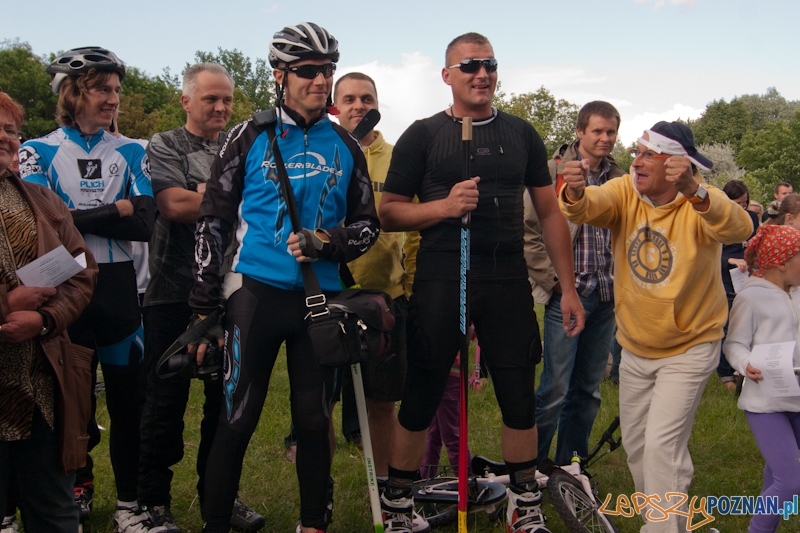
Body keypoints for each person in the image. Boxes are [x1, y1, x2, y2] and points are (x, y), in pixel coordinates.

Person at [378, 32, 584, 533]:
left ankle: (522, 502)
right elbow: (387, 212)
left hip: (506, 275)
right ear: (447, 76)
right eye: (468, 65)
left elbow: (550, 210)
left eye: (489, 64)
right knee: (423, 392)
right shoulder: (423, 135)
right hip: (442, 274)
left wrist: (568, 286)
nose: (481, 73)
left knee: (517, 392)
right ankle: (400, 506)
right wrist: (445, 208)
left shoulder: (521, 134)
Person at [186, 23, 379, 533]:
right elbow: (213, 219)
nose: (321, 81)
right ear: (280, 75)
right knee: (238, 416)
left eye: (327, 71)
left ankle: (314, 522)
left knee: (314, 420)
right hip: (257, 295)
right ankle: (214, 523)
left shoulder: (344, 144)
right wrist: (205, 307)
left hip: (322, 301)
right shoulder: (248, 133)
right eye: (309, 71)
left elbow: (368, 226)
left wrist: (328, 243)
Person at [559, 120, 754, 532]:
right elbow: (585, 206)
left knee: (662, 449)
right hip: (635, 344)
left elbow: (740, 227)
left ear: (675, 165)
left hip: (690, 344)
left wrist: (695, 191)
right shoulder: (626, 190)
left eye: (649, 153)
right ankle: (675, 524)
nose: (636, 160)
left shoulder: (700, 202)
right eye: (637, 151)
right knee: (638, 449)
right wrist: (574, 190)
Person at [17, 47, 154, 531]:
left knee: (127, 404)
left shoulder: (133, 150)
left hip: (117, 290)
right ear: (72, 93)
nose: (113, 99)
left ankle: (129, 506)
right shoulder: (37, 149)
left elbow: (146, 221)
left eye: (117, 89)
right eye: (102, 88)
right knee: (70, 405)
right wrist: (115, 209)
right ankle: (77, 488)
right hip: (64, 287)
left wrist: (81, 218)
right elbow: (40, 226)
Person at [138, 63, 262, 532]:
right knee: (163, 403)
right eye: (211, 99)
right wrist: (228, 198)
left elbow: (255, 203)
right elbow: (172, 204)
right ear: (186, 100)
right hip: (172, 293)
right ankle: (152, 504)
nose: (221, 107)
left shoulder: (240, 146)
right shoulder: (165, 143)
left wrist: (208, 194)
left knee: (224, 405)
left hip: (231, 290)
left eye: (227, 99)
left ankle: (219, 497)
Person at [0, 91, 98, 533]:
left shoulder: (44, 201)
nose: (5, 137)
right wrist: (5, 305)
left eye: (10, 129)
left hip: (43, 385)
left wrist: (44, 319)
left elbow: (80, 273)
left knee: (55, 513)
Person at [527, 101, 624, 466]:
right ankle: (532, 470)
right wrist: (554, 284)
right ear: (580, 131)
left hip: (606, 294)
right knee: (554, 388)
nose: (604, 138)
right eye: (597, 130)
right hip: (569, 293)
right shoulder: (554, 171)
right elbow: (529, 232)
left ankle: (572, 468)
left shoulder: (619, 178)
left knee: (588, 389)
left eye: (611, 131)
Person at [723, 223, 800, 533]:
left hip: (797, 396)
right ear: (782, 262)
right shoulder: (750, 297)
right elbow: (734, 344)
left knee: (779, 477)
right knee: (792, 482)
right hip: (765, 402)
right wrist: (744, 363)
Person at [718, 180, 759, 391]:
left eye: (745, 203)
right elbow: (711, 253)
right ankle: (725, 374)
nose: (741, 208)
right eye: (737, 203)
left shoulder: (751, 218)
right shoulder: (718, 218)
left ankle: (742, 368)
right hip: (725, 277)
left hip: (747, 276)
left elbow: (756, 244)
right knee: (726, 326)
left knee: (748, 324)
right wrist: (729, 261)